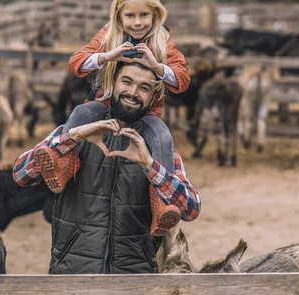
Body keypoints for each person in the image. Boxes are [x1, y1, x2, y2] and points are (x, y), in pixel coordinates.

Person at [13, 61, 200, 274]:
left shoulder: (156, 147)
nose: (133, 92)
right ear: (112, 84)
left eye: (144, 88)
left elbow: (191, 209)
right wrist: (73, 138)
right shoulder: (76, 131)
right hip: (73, 275)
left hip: (133, 280)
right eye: (126, 82)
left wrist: (149, 166)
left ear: (152, 97)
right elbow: (20, 173)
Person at [39, 0, 191, 236]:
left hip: (146, 112)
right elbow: (76, 63)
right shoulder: (109, 35)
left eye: (144, 15)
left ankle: (161, 203)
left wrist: (157, 66)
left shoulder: (163, 40)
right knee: (80, 114)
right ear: (119, 15)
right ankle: (62, 163)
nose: (137, 22)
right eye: (130, 15)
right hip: (104, 102)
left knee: (162, 136)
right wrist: (107, 55)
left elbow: (182, 80)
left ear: (155, 15)